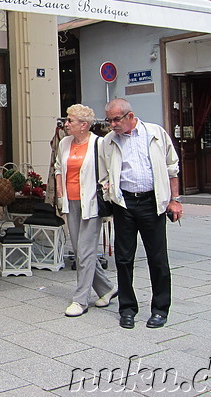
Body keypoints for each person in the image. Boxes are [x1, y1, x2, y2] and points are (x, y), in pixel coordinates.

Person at [100, 98, 182, 330]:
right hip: (124, 203)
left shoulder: (155, 133)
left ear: (130, 116)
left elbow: (172, 168)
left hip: (151, 202)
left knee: (158, 259)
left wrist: (174, 200)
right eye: (109, 120)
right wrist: (110, 191)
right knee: (124, 259)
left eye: (116, 119)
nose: (112, 124)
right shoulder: (108, 141)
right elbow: (104, 172)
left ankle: (160, 309)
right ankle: (127, 309)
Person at [54, 104, 117, 317]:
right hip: (70, 203)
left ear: (84, 125)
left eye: (70, 120)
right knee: (80, 251)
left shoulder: (99, 143)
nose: (66, 124)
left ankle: (81, 300)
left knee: (85, 252)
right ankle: (107, 288)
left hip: (90, 202)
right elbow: (58, 168)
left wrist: (108, 188)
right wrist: (60, 194)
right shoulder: (64, 143)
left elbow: (111, 169)